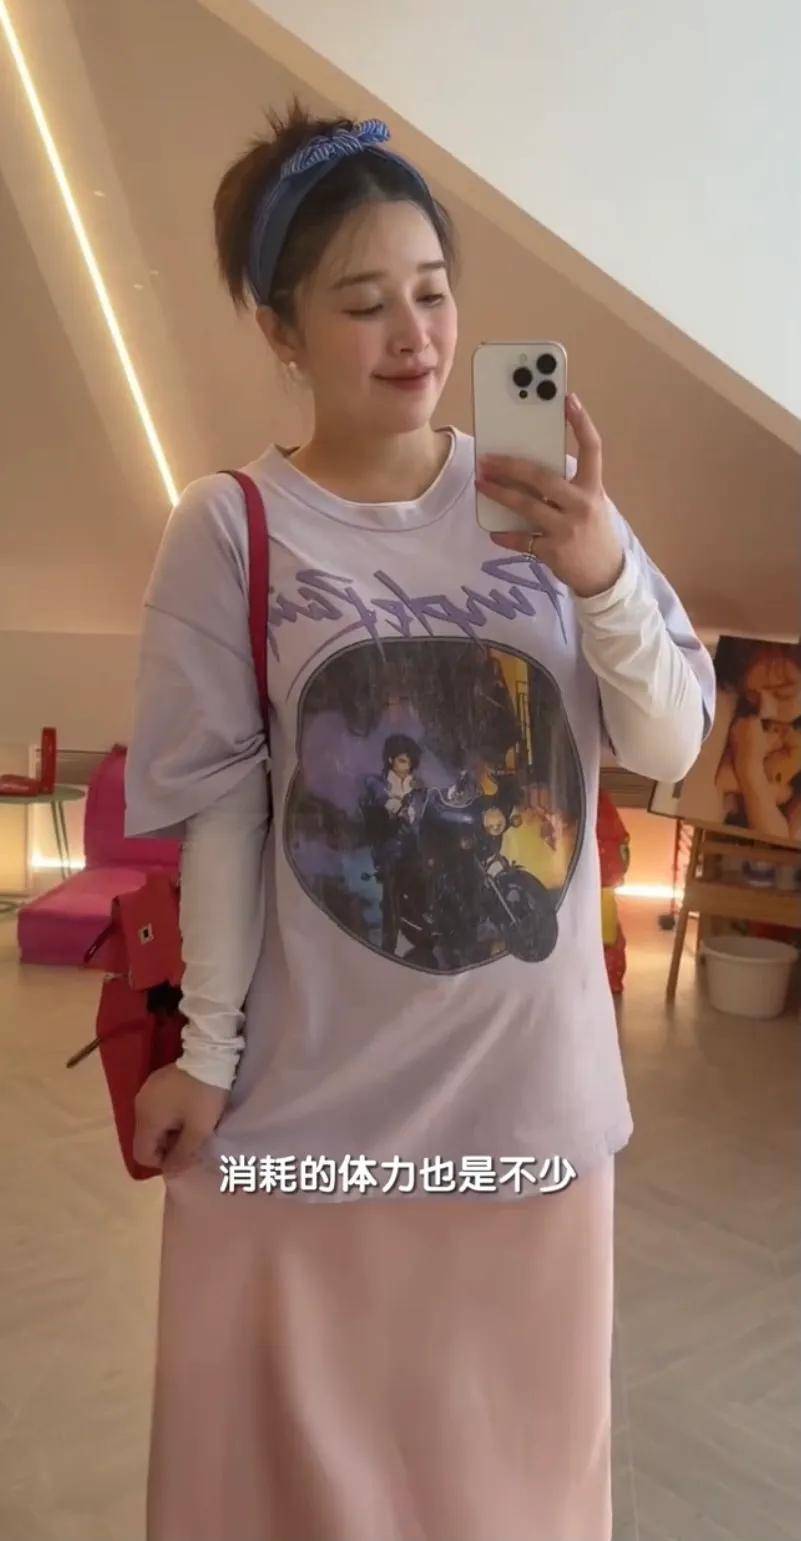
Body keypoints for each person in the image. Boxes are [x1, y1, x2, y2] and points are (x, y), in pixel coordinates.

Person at [123, 98, 717, 1541]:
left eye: (435, 293)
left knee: (503, 1488)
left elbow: (670, 742)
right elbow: (224, 816)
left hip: (523, 1113)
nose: (416, 336)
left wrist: (601, 573)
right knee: (287, 1485)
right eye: (363, 302)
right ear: (279, 327)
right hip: (316, 1107)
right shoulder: (230, 529)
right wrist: (204, 1052)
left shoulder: (546, 504)